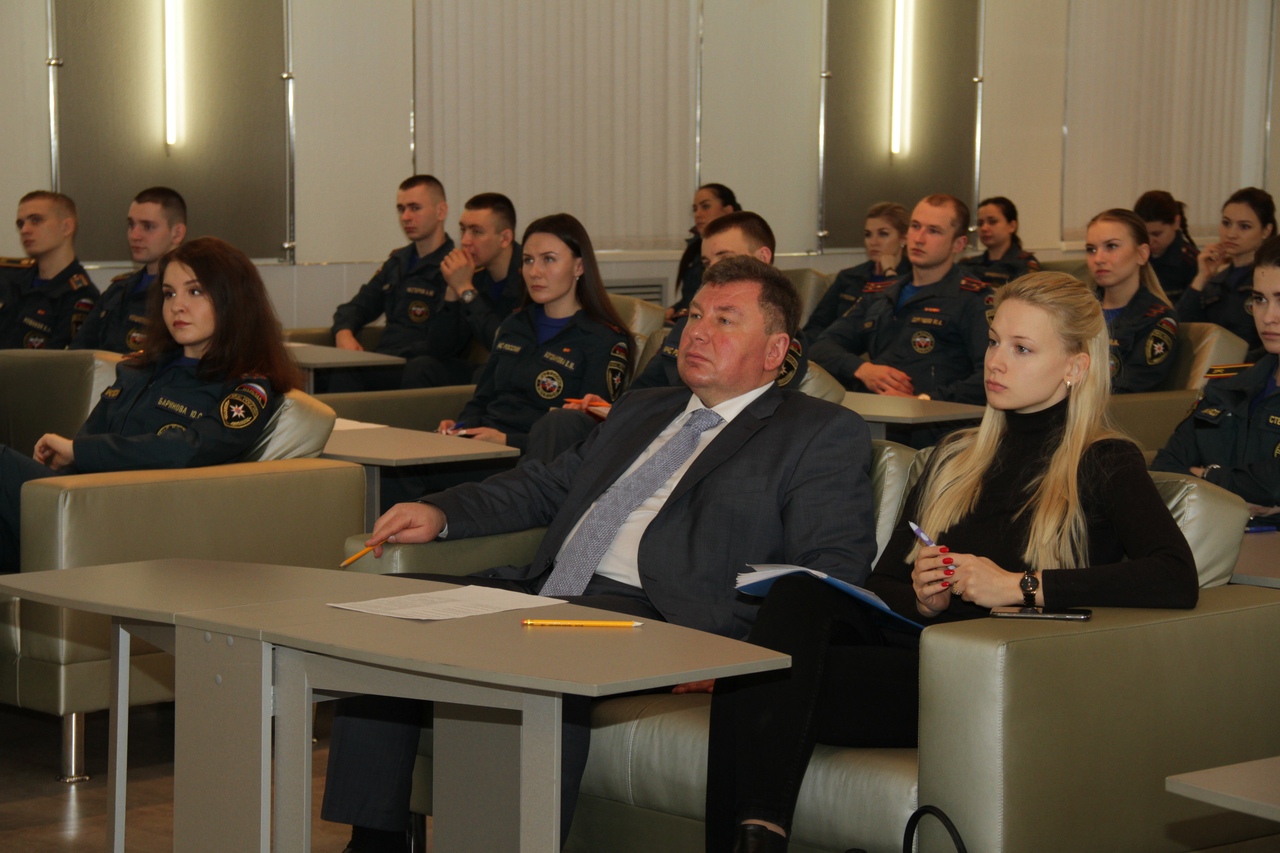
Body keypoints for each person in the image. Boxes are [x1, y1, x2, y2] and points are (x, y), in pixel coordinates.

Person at [321, 255, 878, 853]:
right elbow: (546, 486)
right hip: (550, 590)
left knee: (541, 656)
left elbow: (828, 573)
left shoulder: (817, 431)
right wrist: (441, 512)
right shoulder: (644, 408)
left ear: (775, 351)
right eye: (694, 315)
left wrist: (741, 658)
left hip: (660, 618)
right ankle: (374, 842)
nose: (696, 332)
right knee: (391, 618)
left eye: (724, 320)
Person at [704, 271, 1198, 853]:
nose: (996, 361)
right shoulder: (955, 454)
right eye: (993, 341)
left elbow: (1174, 576)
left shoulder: (1104, 461)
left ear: (1075, 366)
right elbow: (883, 585)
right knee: (791, 608)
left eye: (1022, 349)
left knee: (760, 684)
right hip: (916, 652)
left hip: (993, 678)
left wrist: (1020, 585)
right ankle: (758, 837)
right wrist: (921, 596)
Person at [0, 237, 300, 573]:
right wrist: (61, 466)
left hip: (139, 518)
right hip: (82, 498)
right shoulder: (141, 368)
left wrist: (77, 452)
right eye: (169, 294)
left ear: (233, 300)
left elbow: (189, 449)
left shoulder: (245, 386)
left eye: (195, 291)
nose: (177, 306)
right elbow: (90, 438)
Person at [524, 211, 807, 463]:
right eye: (706, 261)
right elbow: (644, 389)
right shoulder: (687, 325)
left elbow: (751, 409)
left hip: (701, 439)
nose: (712, 269)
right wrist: (610, 408)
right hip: (652, 425)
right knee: (563, 423)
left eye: (725, 257)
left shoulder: (776, 342)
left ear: (762, 258)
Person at [810, 193, 992, 404]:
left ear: (958, 244)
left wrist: (924, 400)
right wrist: (863, 369)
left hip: (935, 416)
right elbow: (821, 347)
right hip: (875, 413)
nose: (919, 238)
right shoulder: (881, 294)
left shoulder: (973, 299)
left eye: (933, 231)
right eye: (915, 226)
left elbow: (990, 376)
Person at [1152, 234, 1280, 515]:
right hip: (1212, 531)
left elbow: (1274, 486)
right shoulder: (1232, 387)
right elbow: (1166, 468)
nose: (1268, 316)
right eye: (1260, 299)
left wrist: (1207, 476)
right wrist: (1238, 493)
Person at [326, 175, 461, 391]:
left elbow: (445, 340)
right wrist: (344, 333)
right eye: (401, 209)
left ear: (441, 211)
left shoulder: (454, 266)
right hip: (387, 361)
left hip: (419, 365)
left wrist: (387, 357)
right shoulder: (398, 262)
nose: (406, 217)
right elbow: (358, 306)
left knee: (413, 369)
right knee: (329, 372)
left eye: (415, 208)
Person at [400, 192, 523, 387]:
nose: (465, 240)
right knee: (421, 368)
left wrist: (466, 290)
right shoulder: (473, 274)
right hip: (489, 372)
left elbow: (505, 344)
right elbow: (440, 349)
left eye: (476, 232)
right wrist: (452, 290)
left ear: (505, 238)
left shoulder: (530, 276)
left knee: (486, 375)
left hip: (521, 371)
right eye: (463, 230)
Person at [72, 187, 187, 353]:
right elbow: (79, 351)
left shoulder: (184, 296)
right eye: (131, 225)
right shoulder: (118, 289)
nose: (134, 235)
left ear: (177, 233)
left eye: (148, 226)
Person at [1085, 209, 1179, 393]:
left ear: (1142, 254)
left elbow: (1129, 392)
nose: (1098, 259)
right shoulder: (1078, 311)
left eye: (1111, 246)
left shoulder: (1157, 319)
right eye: (1091, 250)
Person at [1178, 187, 1277, 358]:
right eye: (1226, 223)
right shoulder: (1217, 280)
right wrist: (1201, 278)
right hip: (1214, 366)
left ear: (1266, 231)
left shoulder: (1270, 282)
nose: (1231, 234)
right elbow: (1182, 329)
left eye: (1244, 226)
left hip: (1253, 368)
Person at [0, 191, 98, 350]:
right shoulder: (7, 278)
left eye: (36, 220)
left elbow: (63, 361)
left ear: (67, 227)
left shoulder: (79, 297)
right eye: (21, 224)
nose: (24, 230)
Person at [803, 202, 909, 335]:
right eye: (868, 234)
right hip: (840, 343)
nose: (873, 242)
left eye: (883, 234)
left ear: (903, 238)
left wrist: (889, 272)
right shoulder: (849, 277)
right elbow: (816, 325)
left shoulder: (915, 277)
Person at [665, 183, 739, 323]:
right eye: (695, 209)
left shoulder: (738, 250)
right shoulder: (695, 246)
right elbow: (692, 294)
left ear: (727, 210)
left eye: (705, 206)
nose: (698, 214)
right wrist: (675, 309)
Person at [959, 195, 1041, 288]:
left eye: (992, 222)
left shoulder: (1024, 264)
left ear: (1012, 226)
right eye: (980, 223)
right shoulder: (967, 264)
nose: (984, 228)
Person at [1135, 190, 1199, 304]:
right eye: (1144, 234)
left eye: (1156, 234)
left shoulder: (1192, 263)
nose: (1149, 241)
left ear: (1176, 223)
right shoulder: (1133, 256)